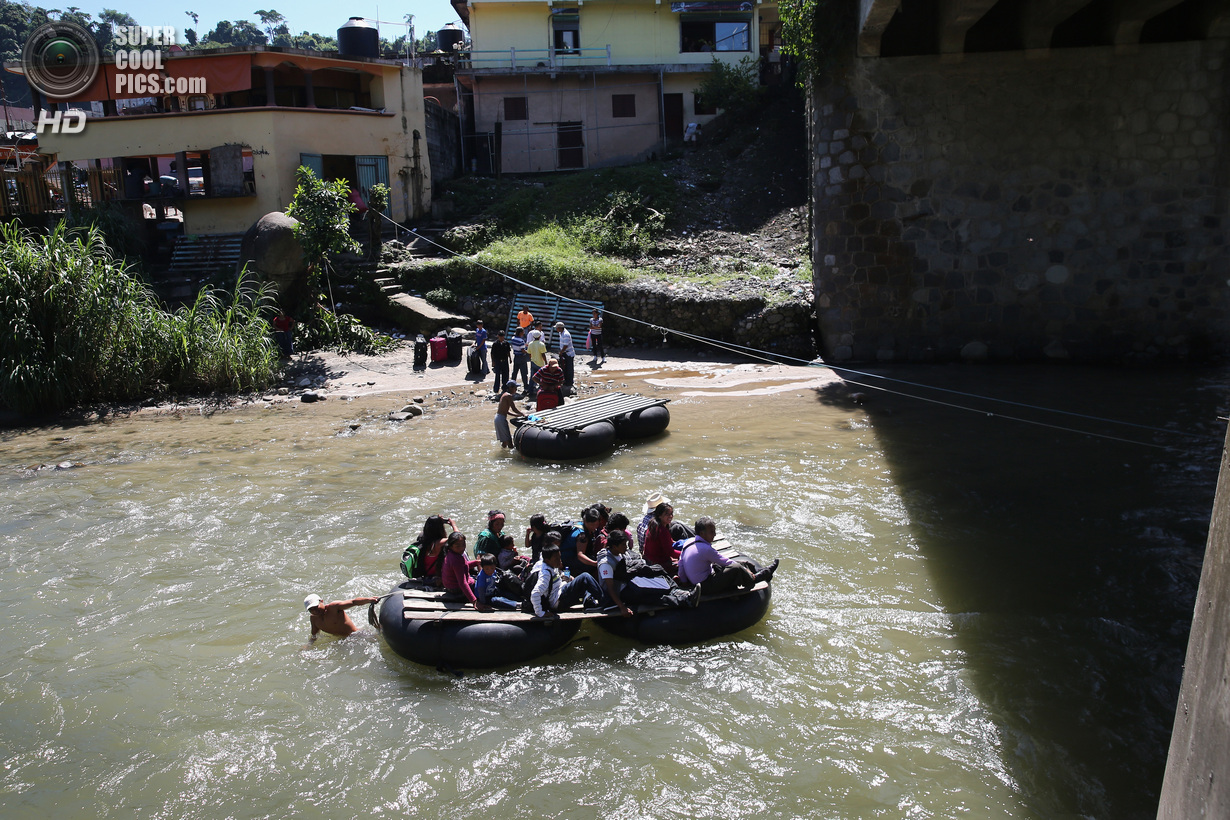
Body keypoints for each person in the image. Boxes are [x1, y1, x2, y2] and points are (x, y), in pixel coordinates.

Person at [596, 531, 699, 617]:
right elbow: (610, 588)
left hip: (628, 582)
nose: (626, 547)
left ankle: (678, 592)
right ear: (614, 546)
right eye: (623, 545)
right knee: (649, 596)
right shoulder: (606, 563)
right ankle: (685, 600)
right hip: (620, 592)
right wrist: (622, 607)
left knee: (657, 573)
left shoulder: (617, 553)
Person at [677, 517, 779, 594]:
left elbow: (681, 564)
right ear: (702, 533)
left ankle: (755, 571)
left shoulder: (688, 542)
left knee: (738, 563)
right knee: (736, 567)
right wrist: (744, 570)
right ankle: (758, 577)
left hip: (698, 579)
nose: (715, 534)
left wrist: (684, 581)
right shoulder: (705, 549)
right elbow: (726, 562)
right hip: (705, 585)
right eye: (711, 532)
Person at [528, 543, 602, 618]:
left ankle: (589, 602)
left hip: (561, 592)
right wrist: (540, 613)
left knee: (583, 583)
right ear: (547, 560)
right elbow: (535, 593)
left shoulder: (550, 564)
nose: (559, 561)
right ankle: (605, 601)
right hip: (558, 600)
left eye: (559, 557)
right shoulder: (545, 574)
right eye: (556, 559)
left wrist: (567, 577)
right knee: (585, 577)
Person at [442, 531, 491, 610]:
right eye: (458, 546)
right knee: (486, 585)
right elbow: (463, 583)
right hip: (457, 590)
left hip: (450, 587)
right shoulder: (456, 559)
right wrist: (474, 601)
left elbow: (463, 565)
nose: (462, 548)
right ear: (451, 546)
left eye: (463, 545)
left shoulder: (450, 554)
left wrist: (476, 562)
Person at [304, 593, 380, 641]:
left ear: (321, 601)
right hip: (341, 641)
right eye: (311, 609)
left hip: (356, 635)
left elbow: (353, 602)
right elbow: (314, 635)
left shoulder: (334, 607)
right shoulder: (314, 619)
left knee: (378, 638)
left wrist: (369, 600)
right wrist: (309, 645)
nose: (315, 611)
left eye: (316, 607)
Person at [642, 502, 681, 575]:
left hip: (649, 560)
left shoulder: (653, 524)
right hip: (658, 563)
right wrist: (685, 553)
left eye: (671, 514)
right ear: (659, 515)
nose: (670, 516)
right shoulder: (662, 531)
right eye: (667, 514)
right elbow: (671, 552)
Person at [417, 514, 458, 581]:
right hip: (436, 576)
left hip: (425, 574)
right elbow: (458, 536)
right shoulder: (439, 543)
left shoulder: (422, 538)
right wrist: (453, 524)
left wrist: (437, 521)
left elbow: (431, 528)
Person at [494, 381, 526, 448]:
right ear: (510, 388)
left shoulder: (504, 394)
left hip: (498, 418)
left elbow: (506, 411)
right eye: (515, 387)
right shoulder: (508, 396)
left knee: (504, 441)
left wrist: (516, 415)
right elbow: (514, 408)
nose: (516, 389)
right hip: (501, 419)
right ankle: (511, 456)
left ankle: (503, 455)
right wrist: (523, 414)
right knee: (509, 441)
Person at [527, 327, 548, 397]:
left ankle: (530, 391)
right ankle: (541, 390)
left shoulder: (530, 344)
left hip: (533, 362)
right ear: (540, 336)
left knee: (532, 377)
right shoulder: (541, 344)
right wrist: (546, 362)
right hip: (540, 363)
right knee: (542, 377)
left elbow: (529, 353)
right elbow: (543, 354)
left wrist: (531, 359)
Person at [555, 321, 575, 388]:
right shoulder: (561, 333)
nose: (556, 329)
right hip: (564, 353)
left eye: (557, 328)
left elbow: (565, 345)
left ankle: (570, 382)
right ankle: (565, 380)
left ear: (560, 328)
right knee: (564, 367)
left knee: (569, 368)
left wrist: (561, 352)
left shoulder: (566, 334)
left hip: (568, 353)